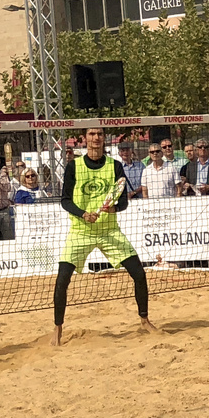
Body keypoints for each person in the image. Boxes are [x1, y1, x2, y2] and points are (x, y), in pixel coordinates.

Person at [52, 127, 157, 347]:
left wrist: (114, 209)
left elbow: (124, 201)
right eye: (91, 134)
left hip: (109, 230)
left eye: (99, 134)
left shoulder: (115, 165)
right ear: (85, 138)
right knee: (62, 280)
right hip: (81, 231)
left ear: (103, 138)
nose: (96, 138)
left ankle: (144, 320)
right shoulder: (74, 166)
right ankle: (57, 330)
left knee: (139, 273)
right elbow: (65, 200)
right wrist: (82, 214)